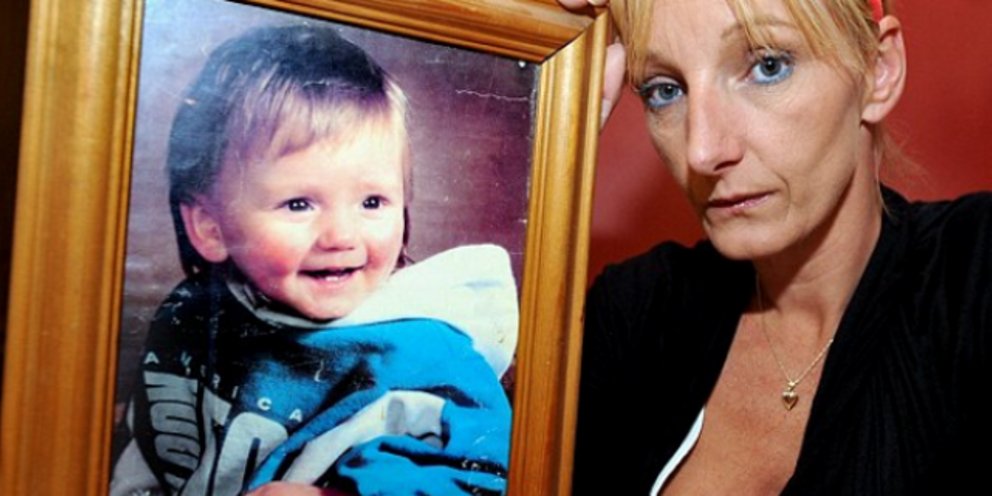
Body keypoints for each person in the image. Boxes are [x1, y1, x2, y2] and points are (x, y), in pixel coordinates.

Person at [560, 0, 992, 494]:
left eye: (768, 66)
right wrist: (530, 109)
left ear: (879, 70)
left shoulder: (971, 277)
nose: (702, 150)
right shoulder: (638, 312)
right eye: (665, 90)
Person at [110, 24, 518, 496]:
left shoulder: (432, 355)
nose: (341, 236)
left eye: (372, 202)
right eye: (299, 204)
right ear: (211, 228)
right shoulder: (191, 315)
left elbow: (484, 474)